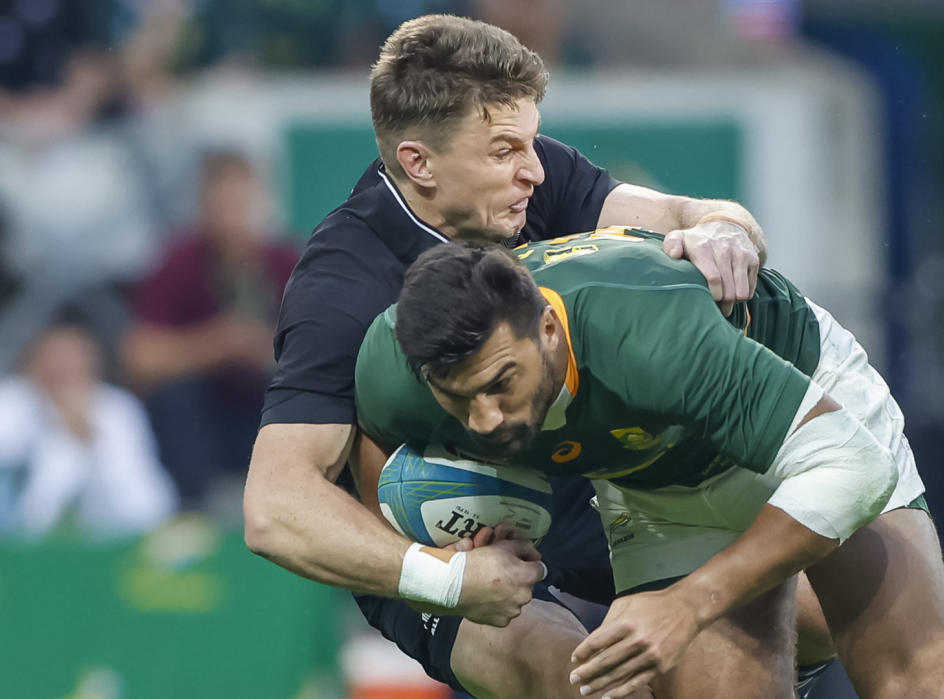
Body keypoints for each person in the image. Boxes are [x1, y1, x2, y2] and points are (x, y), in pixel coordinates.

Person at [353, 233, 944, 698]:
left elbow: (848, 468)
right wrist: (458, 541)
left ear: (547, 330)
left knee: (924, 690)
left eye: (502, 385)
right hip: (655, 492)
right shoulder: (399, 374)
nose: (487, 419)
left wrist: (690, 603)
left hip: (807, 421)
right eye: (462, 403)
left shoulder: (646, 331)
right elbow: (384, 465)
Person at [241, 14, 791, 699]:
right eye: (505, 149)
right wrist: (442, 577)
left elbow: (686, 214)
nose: (533, 168)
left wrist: (724, 230)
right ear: (419, 162)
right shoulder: (341, 286)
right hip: (444, 548)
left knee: (821, 613)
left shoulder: (531, 178)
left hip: (580, 490)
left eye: (530, 143)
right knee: (587, 679)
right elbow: (273, 506)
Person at [124, 150, 298, 509]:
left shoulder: (286, 263)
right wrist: (218, 344)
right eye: (224, 204)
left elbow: (322, 347)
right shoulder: (179, 262)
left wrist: (262, 348)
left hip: (266, 412)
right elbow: (140, 358)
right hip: (204, 420)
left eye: (242, 202)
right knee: (175, 398)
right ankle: (192, 511)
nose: (234, 216)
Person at [0, 317, 176, 537]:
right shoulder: (9, 402)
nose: (64, 365)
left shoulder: (117, 409)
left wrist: (88, 438)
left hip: (103, 544)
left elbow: (149, 507)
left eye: (75, 357)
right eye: (55, 355)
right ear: (33, 360)